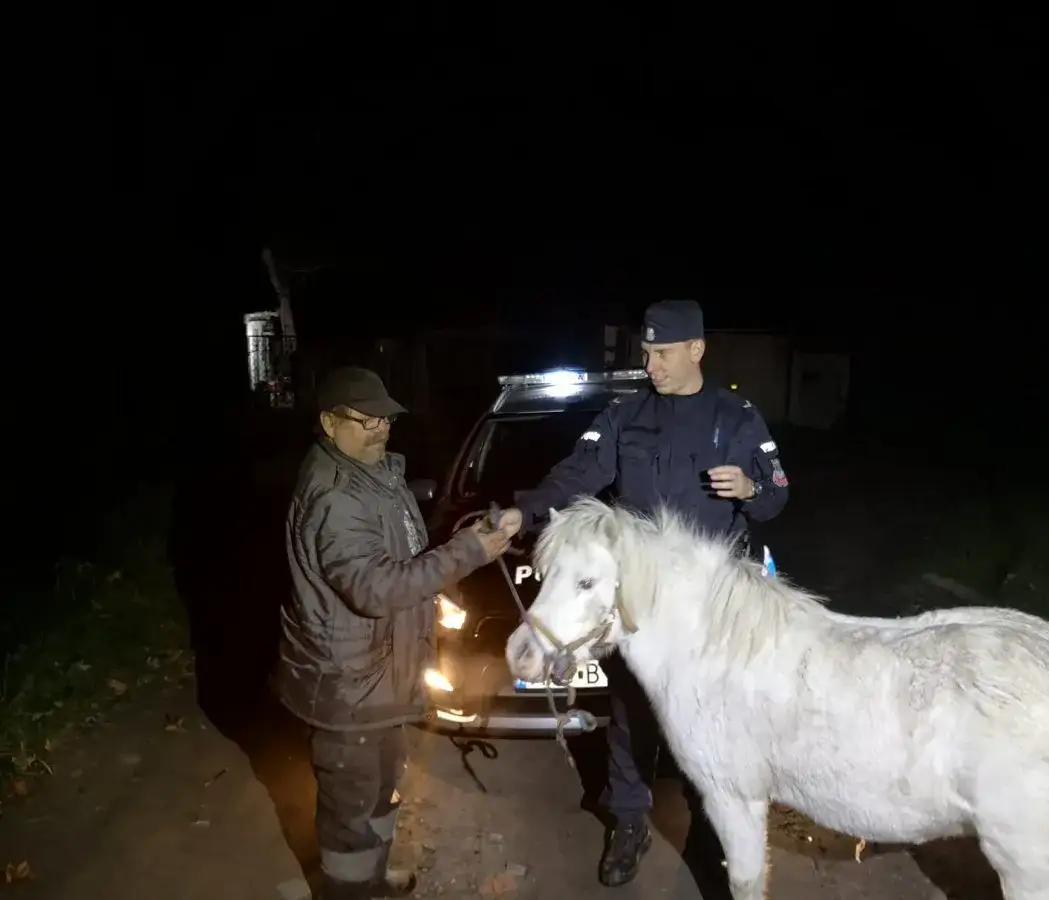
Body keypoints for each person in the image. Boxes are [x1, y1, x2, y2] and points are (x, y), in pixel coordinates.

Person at [496, 299, 789, 887]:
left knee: (715, 722)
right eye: (647, 352)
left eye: (660, 353)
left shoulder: (736, 417)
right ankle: (628, 822)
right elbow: (575, 476)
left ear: (696, 350)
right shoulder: (626, 415)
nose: (649, 364)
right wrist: (521, 513)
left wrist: (751, 488)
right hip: (639, 606)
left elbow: (778, 495)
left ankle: (715, 832)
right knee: (632, 718)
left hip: (710, 611)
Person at [275, 366, 517, 900]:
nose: (381, 428)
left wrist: (445, 572)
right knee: (351, 814)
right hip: (349, 688)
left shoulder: (375, 471)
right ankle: (350, 890)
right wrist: (469, 553)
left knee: (382, 793)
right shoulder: (335, 497)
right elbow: (374, 589)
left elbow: (401, 555)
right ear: (328, 422)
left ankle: (375, 876)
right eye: (366, 420)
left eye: (386, 417)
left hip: (380, 678)